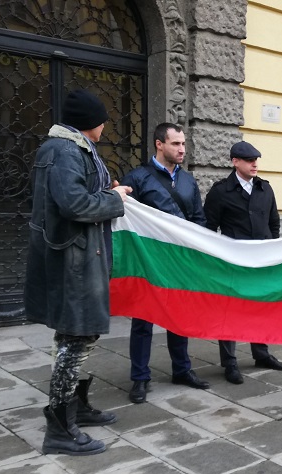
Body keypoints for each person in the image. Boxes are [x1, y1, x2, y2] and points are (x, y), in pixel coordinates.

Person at [25, 89, 131, 455]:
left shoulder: (70, 149)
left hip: (81, 258)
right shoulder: (65, 150)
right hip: (74, 263)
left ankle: (76, 406)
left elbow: (79, 194)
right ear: (92, 122)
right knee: (76, 338)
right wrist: (116, 201)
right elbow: (73, 204)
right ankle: (60, 428)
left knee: (79, 336)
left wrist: (109, 191)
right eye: (102, 119)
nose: (105, 125)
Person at [120, 123, 211, 404]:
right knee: (143, 320)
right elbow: (125, 218)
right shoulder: (137, 178)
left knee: (179, 317)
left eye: (183, 144)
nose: (182, 149)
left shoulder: (188, 181)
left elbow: (198, 219)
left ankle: (182, 370)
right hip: (148, 262)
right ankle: (139, 378)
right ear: (159, 144)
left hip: (180, 262)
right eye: (175, 144)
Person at [203, 141, 282, 384]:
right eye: (249, 160)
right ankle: (229, 363)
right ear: (235, 162)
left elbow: (274, 223)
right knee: (230, 311)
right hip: (234, 261)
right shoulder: (220, 192)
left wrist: (273, 252)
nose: (255, 164)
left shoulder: (265, 189)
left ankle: (261, 354)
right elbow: (209, 229)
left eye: (256, 160)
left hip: (261, 259)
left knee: (260, 307)